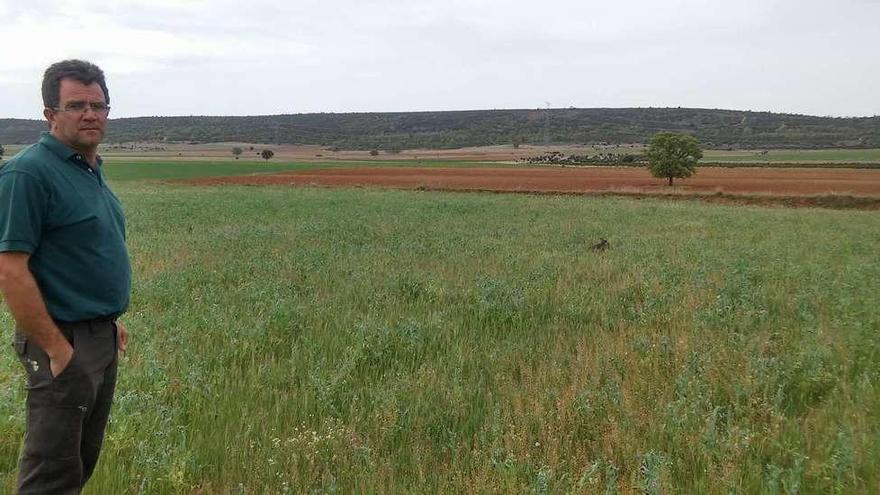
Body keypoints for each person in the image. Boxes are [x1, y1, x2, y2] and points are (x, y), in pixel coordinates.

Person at [0, 59, 131, 494]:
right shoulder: (28, 173)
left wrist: (108, 321)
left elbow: (79, 253)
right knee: (51, 476)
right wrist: (57, 348)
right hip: (62, 340)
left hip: (98, 336)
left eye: (99, 105)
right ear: (50, 115)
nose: (90, 114)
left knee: (79, 463)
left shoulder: (86, 167)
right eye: (76, 105)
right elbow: (10, 269)